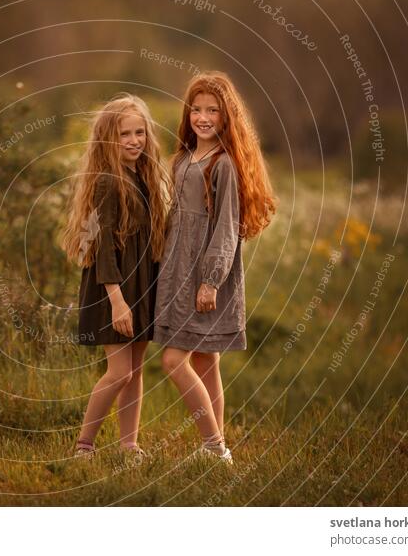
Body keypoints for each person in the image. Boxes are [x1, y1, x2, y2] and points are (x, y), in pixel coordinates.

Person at [154, 72, 277, 463]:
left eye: (213, 110)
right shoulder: (184, 158)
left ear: (227, 117)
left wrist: (210, 281)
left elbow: (226, 227)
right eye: (197, 108)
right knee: (206, 361)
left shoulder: (223, 165)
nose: (203, 116)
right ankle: (216, 449)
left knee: (174, 361)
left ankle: (214, 447)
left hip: (204, 276)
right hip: (176, 270)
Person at [60, 94, 170, 458]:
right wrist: (118, 301)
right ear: (109, 138)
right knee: (120, 371)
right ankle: (84, 446)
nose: (134, 140)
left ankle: (129, 446)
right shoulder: (108, 180)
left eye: (140, 132)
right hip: (114, 289)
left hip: (140, 285)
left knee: (136, 372)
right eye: (125, 134)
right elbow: (103, 247)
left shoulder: (142, 175)